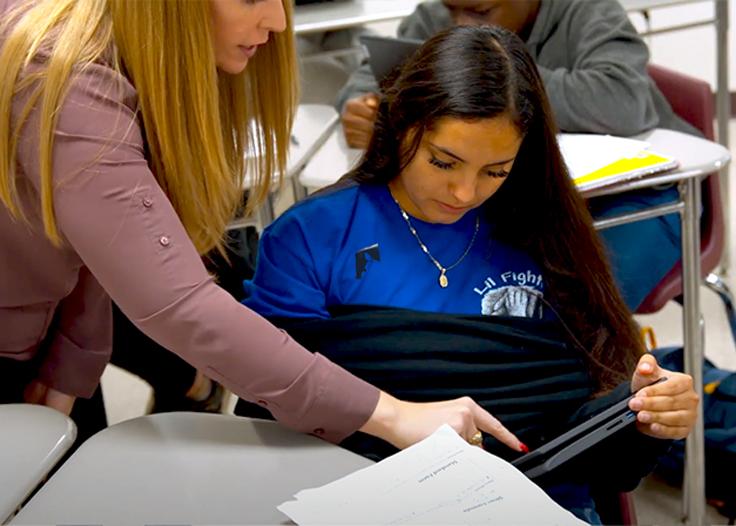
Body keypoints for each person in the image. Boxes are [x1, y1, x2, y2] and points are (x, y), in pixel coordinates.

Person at [0, 0, 524, 452]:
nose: (276, 21)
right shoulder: (64, 81)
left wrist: (74, 353)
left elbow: (88, 234)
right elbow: (178, 304)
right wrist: (390, 414)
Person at [239, 25, 699, 523]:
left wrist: (645, 416)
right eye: (443, 162)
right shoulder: (312, 236)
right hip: (364, 499)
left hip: (537, 500)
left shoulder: (545, 237)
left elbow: (580, 444)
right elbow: (277, 409)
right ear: (400, 126)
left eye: (495, 171)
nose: (463, 192)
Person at [337, 0, 700, 312]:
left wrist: (499, 77)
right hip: (521, 202)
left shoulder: (588, 11)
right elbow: (370, 79)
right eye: (454, 10)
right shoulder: (439, 13)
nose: (462, 22)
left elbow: (624, 102)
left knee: (568, 319)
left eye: (480, 11)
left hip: (639, 196)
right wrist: (361, 108)